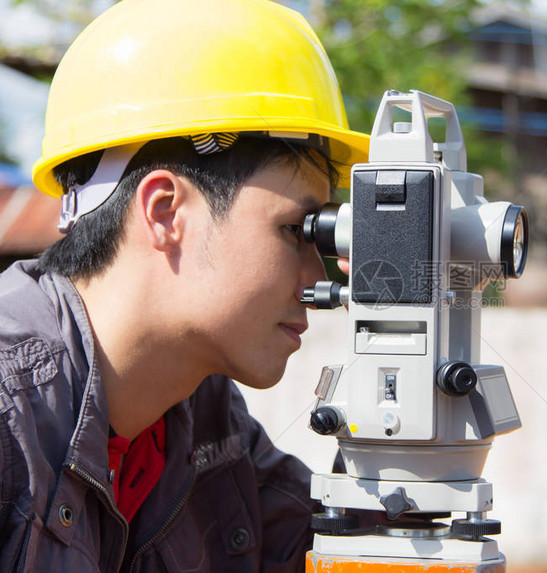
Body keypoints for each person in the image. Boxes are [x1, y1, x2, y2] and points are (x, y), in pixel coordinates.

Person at [0, 0, 369, 570]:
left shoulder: (206, 426)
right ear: (166, 212)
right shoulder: (9, 417)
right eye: (297, 230)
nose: (316, 280)